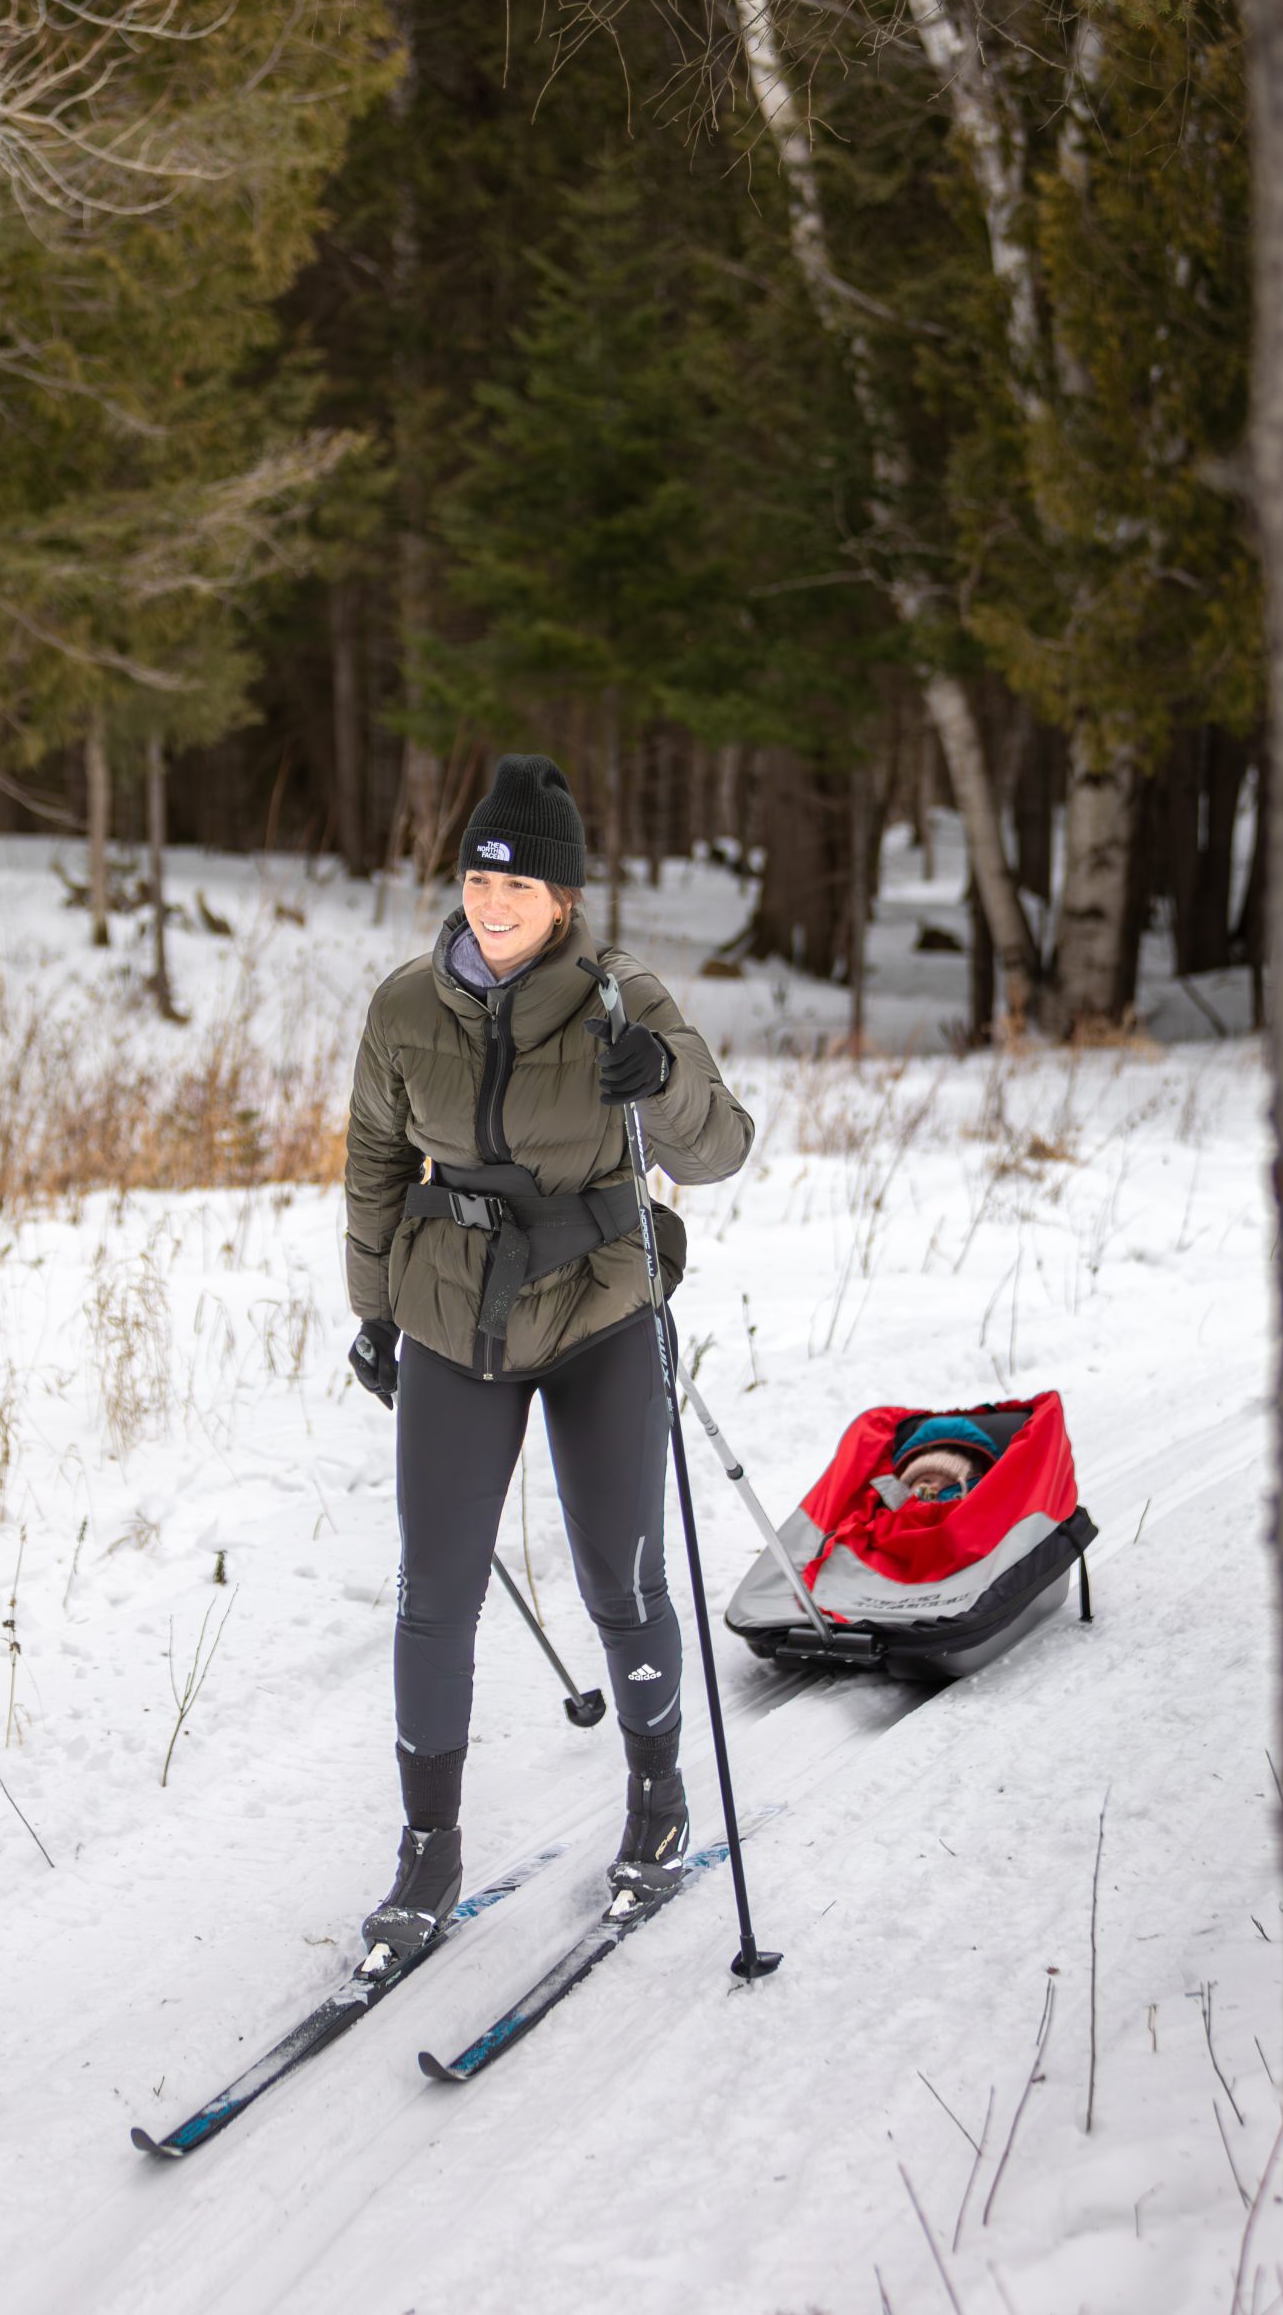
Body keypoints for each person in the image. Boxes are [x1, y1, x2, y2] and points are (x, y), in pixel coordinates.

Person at [343, 752, 754, 1963]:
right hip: (451, 1320)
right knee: (433, 1595)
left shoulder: (623, 1002)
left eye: (517, 884)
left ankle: (658, 1802)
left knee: (620, 1583)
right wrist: (374, 1309)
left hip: (597, 1314)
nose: (492, 900)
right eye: (478, 875)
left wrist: (664, 1082)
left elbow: (722, 1147)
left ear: (564, 899)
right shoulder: (405, 1008)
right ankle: (428, 1856)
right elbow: (374, 1161)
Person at [881, 1413, 1003, 1506]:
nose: (935, 1488)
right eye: (926, 1481)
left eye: (949, 1485)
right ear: (907, 1486)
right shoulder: (889, 1517)